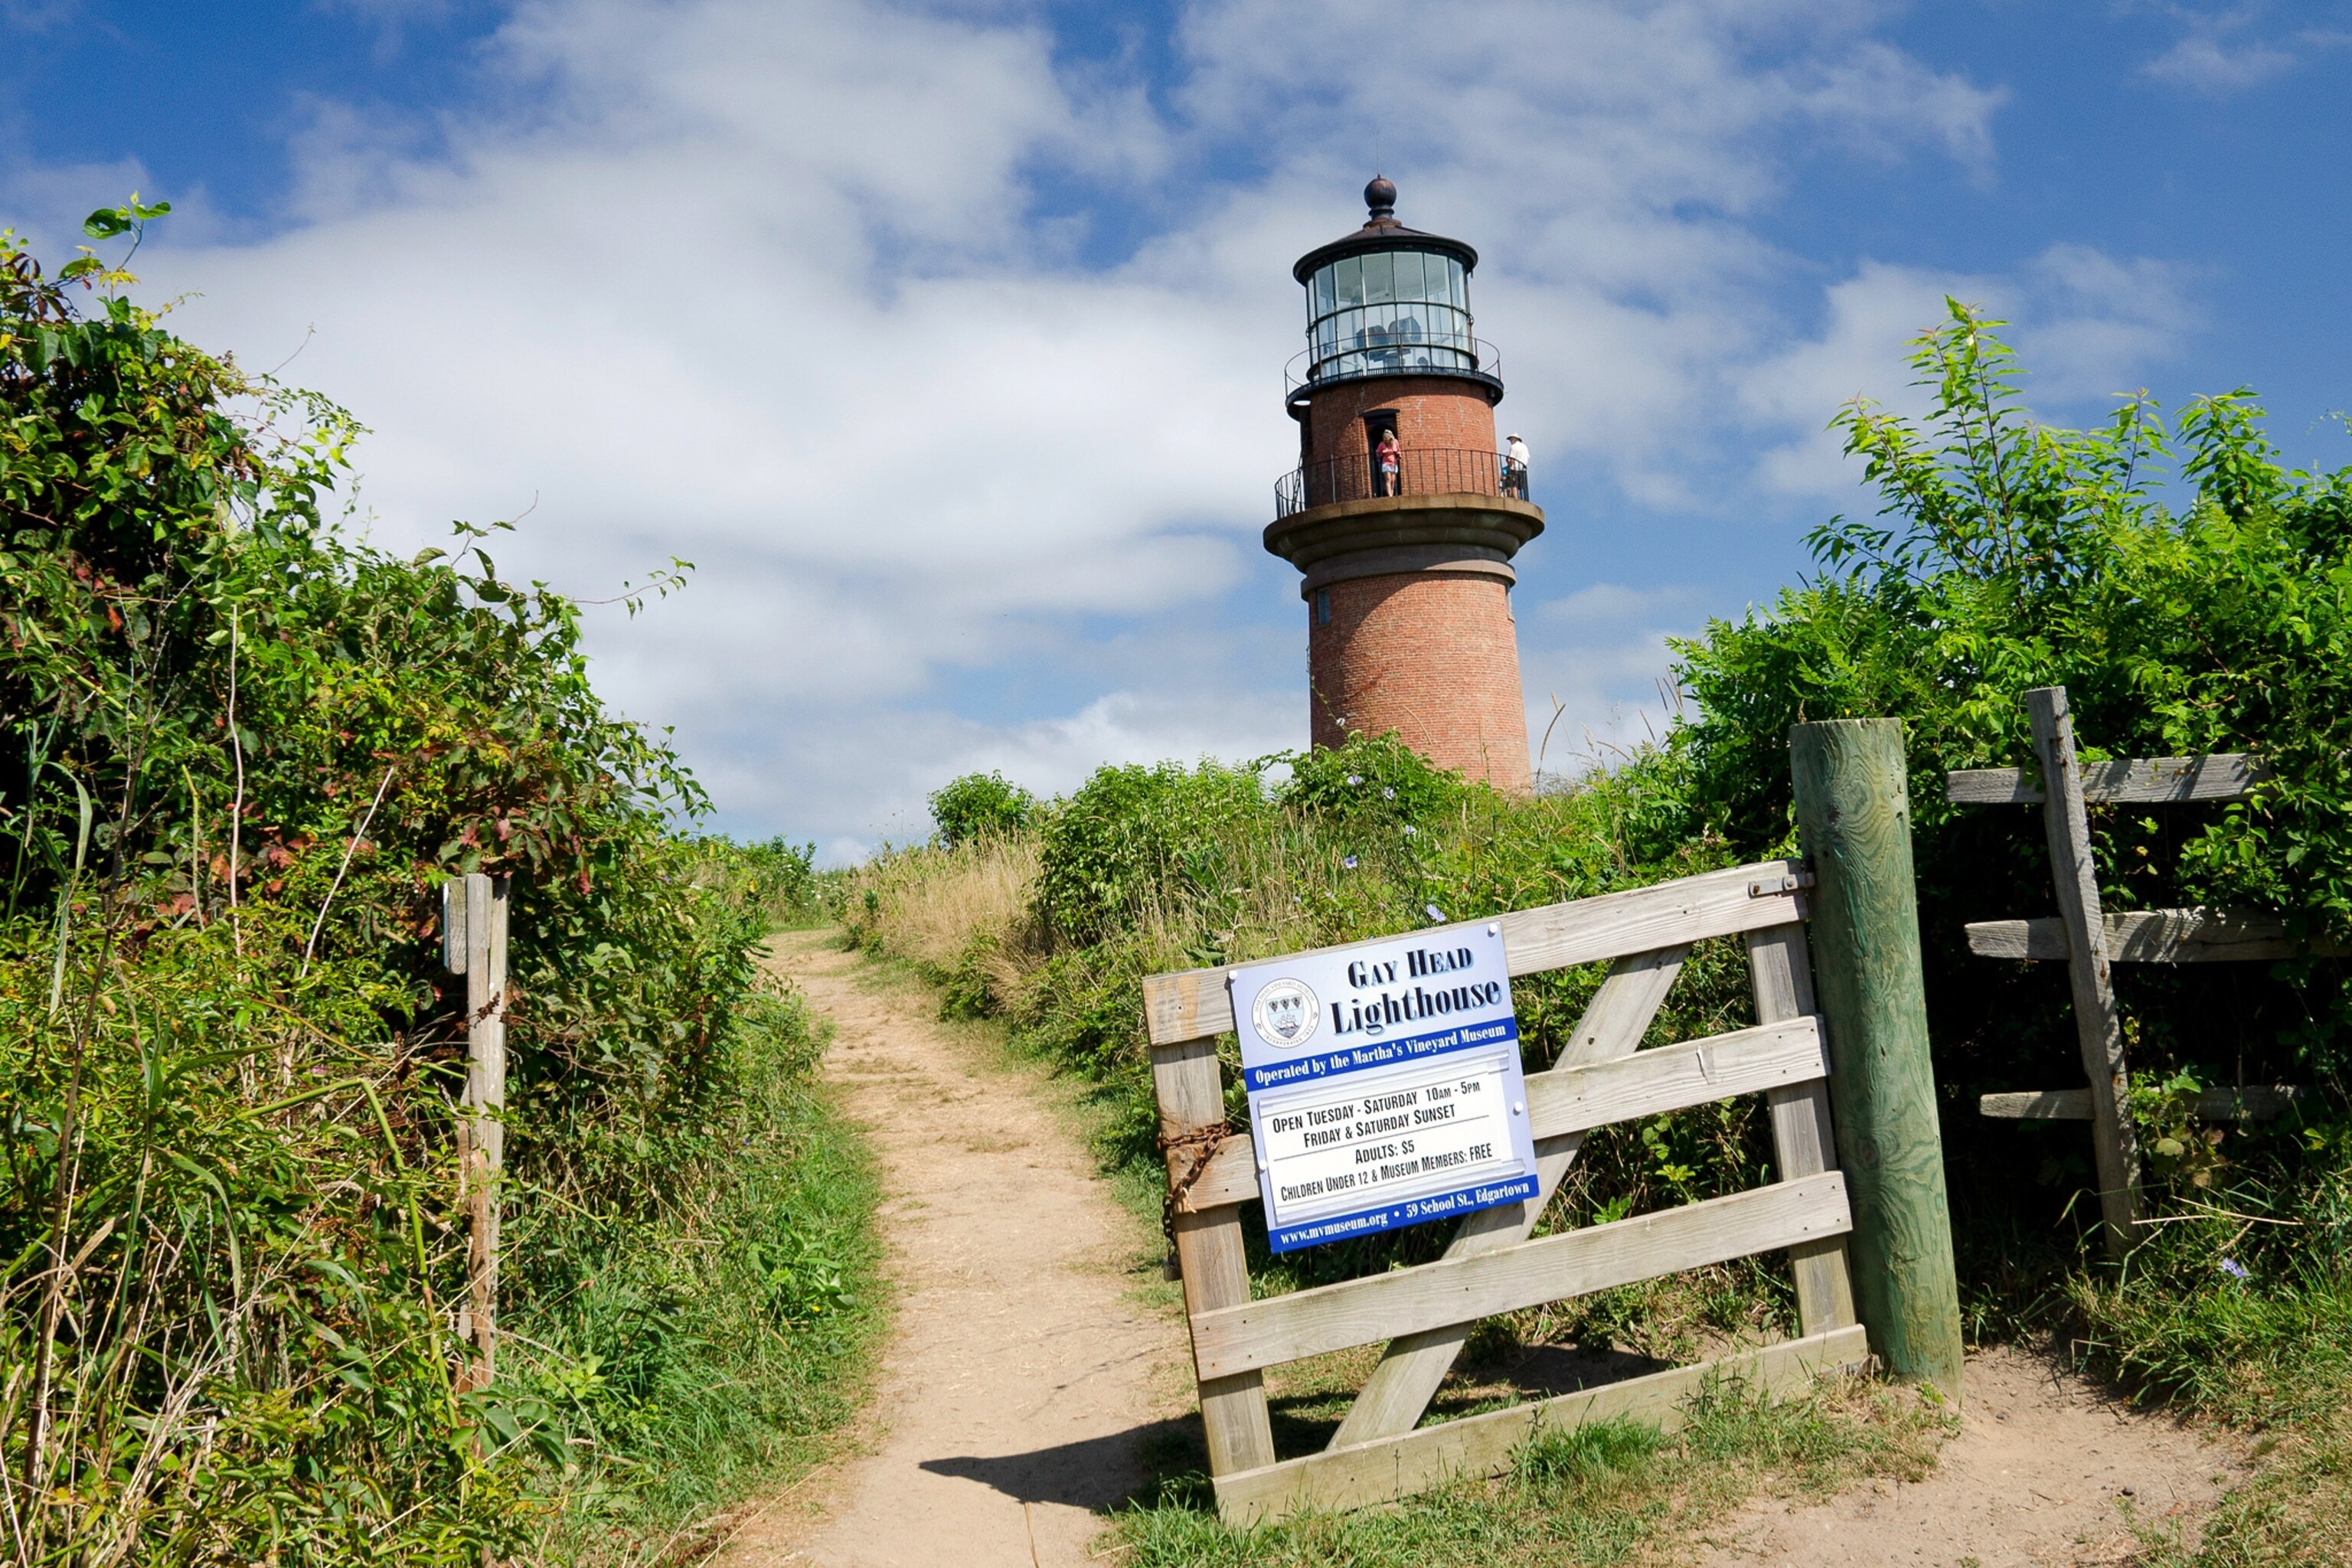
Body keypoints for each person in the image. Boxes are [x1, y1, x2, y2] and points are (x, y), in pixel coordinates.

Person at [1502, 432, 1530, 498]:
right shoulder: (1525, 447)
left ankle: (1516, 499)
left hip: (1515, 468)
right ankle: (1519, 497)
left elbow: (1512, 459)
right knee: (1520, 485)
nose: (1510, 441)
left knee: (1514, 485)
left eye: (1511, 439)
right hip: (1523, 468)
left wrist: (1510, 465)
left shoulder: (1513, 447)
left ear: (1514, 439)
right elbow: (1528, 457)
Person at [1375, 427, 1401, 497]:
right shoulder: (1382, 444)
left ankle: (1392, 494)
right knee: (1388, 479)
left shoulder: (1395, 442)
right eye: (1385, 437)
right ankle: (1390, 495)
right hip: (1386, 463)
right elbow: (1377, 452)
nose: (1386, 438)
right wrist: (1382, 452)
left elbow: (1398, 450)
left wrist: (1399, 455)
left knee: (1393, 480)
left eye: (1387, 437)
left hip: (1394, 463)